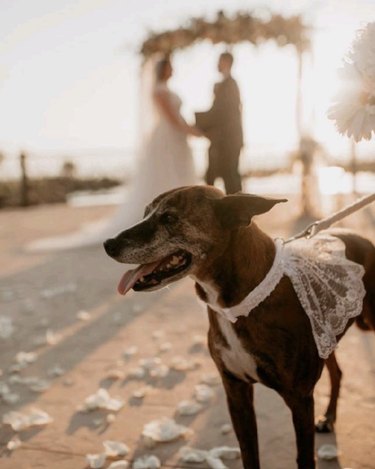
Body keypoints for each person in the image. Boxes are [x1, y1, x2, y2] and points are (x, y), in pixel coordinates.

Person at [26, 57, 199, 251]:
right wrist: (190, 130)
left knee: (178, 172)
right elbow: (171, 117)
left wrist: (188, 129)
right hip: (167, 136)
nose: (172, 70)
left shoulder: (165, 89)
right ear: (162, 70)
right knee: (166, 173)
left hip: (176, 136)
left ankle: (181, 212)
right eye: (169, 67)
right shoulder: (158, 90)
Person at [195, 52, 243, 194]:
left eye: (220, 61)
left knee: (230, 178)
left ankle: (236, 211)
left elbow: (225, 113)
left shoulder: (231, 84)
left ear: (226, 62)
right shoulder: (221, 84)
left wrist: (201, 123)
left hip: (228, 140)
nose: (217, 64)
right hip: (220, 139)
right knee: (213, 175)